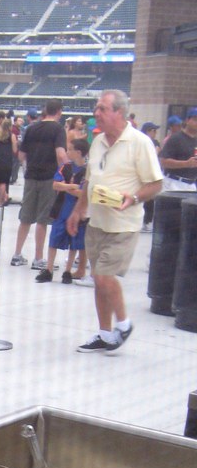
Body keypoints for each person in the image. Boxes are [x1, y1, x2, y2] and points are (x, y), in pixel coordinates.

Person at [67, 90, 163, 354]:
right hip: (97, 221)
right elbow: (89, 180)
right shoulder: (97, 141)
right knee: (98, 280)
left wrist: (132, 197)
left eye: (101, 108)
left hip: (123, 224)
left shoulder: (139, 143)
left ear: (118, 112)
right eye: (96, 108)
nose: (95, 113)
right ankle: (105, 334)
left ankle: (124, 323)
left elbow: (156, 183)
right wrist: (77, 211)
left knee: (103, 275)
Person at [10, 99, 67, 269]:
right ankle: (38, 258)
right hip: (48, 178)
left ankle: (17, 254)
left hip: (30, 177)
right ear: (59, 111)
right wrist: (66, 172)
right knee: (43, 219)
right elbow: (61, 154)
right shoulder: (58, 129)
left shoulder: (31, 128)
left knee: (25, 217)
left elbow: (21, 155)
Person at [35, 137, 89, 283]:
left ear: (78, 152)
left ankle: (67, 271)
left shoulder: (87, 171)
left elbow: (83, 192)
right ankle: (49, 269)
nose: (67, 152)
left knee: (74, 242)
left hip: (76, 211)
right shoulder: (66, 167)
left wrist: (65, 187)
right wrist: (72, 187)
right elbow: (56, 185)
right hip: (61, 209)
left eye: (70, 149)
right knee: (54, 239)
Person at [158, 106, 197, 193]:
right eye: (195, 119)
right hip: (174, 182)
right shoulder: (176, 138)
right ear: (187, 120)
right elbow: (163, 161)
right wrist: (186, 163)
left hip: (191, 185)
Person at [0, 116, 17, 207]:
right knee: (4, 182)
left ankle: (1, 197)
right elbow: (14, 149)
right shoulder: (12, 136)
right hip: (7, 161)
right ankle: (0, 200)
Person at [139, 122, 161, 231]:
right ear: (148, 131)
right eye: (154, 131)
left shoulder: (155, 142)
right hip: (141, 173)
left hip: (151, 174)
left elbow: (157, 153)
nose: (155, 133)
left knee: (150, 198)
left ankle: (147, 221)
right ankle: (141, 220)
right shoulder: (140, 141)